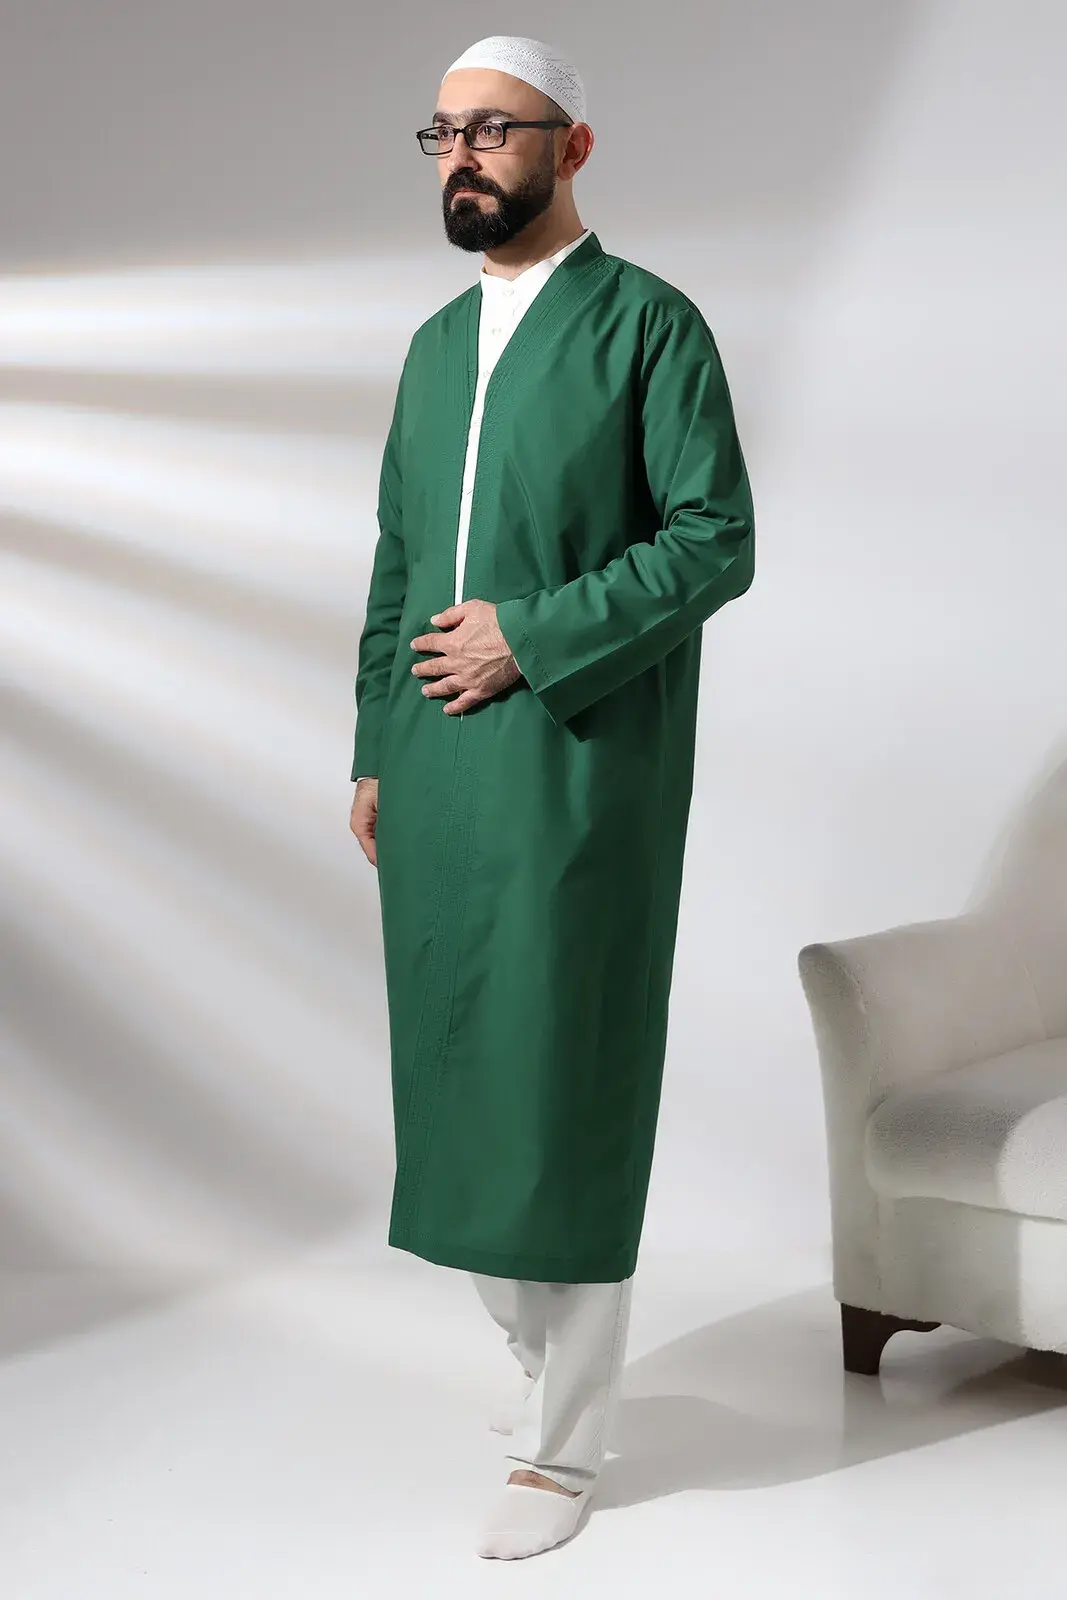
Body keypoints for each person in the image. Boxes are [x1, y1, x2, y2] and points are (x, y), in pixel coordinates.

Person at [349, 33, 755, 1559]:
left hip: (580, 761)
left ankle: (563, 1450)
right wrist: (374, 747)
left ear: (571, 147)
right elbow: (397, 562)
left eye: (494, 130)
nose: (461, 155)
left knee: (558, 1073)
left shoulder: (649, 325)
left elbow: (714, 536)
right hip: (435, 766)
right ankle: (540, 1366)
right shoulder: (431, 348)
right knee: (456, 1068)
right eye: (442, 132)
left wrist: (531, 635)